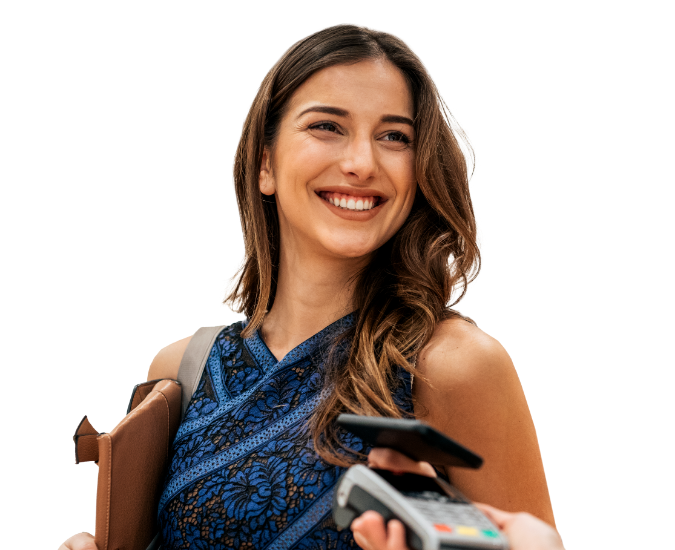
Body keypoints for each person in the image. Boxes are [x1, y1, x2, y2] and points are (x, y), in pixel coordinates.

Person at [59, 23, 561, 550]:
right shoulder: (181, 368)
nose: (362, 163)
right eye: (327, 126)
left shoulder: (453, 367)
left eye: (395, 136)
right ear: (265, 164)